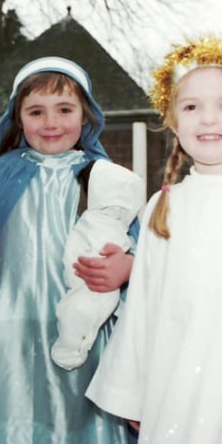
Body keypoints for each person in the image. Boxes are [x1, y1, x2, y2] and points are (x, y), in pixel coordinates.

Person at [86, 36, 222, 444]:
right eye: (191, 107)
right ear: (172, 121)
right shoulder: (163, 206)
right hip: (175, 388)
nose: (208, 119)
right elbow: (143, 308)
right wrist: (136, 394)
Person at [0, 56, 138, 444]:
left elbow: (135, 248)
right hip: (11, 335)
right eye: (36, 112)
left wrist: (128, 265)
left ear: (86, 116)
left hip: (86, 338)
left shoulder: (104, 177)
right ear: (18, 118)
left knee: (79, 426)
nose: (51, 122)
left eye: (65, 110)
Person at [51, 159, 143, 371]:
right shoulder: (103, 222)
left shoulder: (95, 219)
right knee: (85, 313)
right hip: (94, 282)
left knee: (82, 313)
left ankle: (72, 347)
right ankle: (70, 350)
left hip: (92, 279)